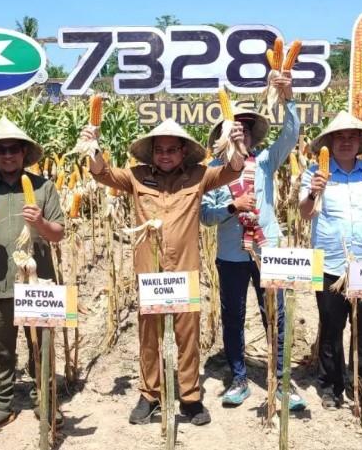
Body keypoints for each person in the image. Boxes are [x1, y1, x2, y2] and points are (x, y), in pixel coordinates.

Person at [78, 118, 245, 426]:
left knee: (187, 335)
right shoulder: (136, 177)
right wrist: (93, 144)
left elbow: (233, 170)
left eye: (172, 149)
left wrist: (236, 143)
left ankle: (191, 398)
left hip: (185, 270)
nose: (165, 155)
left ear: (183, 152)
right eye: (159, 150)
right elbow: (101, 173)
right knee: (149, 335)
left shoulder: (199, 176)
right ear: (151, 153)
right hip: (150, 271)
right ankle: (149, 396)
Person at [200, 73, 305, 410]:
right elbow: (205, 216)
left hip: (267, 250)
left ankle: (283, 382)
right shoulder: (211, 172)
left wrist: (288, 99)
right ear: (223, 135)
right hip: (231, 255)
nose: (240, 132)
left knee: (275, 315)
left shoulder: (264, 162)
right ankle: (240, 377)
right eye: (234, 127)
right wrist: (232, 207)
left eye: (245, 128)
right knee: (233, 316)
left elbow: (291, 135)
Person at [0, 117, 65, 438]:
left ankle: (45, 400)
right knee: (0, 347)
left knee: (42, 345)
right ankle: (2, 404)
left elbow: (58, 233)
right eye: (1, 150)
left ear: (23, 153)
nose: (8, 156)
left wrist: (41, 223)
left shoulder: (43, 187)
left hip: (38, 282)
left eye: (14, 150)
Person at [298, 111, 362, 409]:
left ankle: (361, 384)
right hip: (330, 263)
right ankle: (332, 385)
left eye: (351, 137)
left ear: (360, 141)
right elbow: (305, 213)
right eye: (339, 137)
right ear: (330, 142)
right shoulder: (314, 174)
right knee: (332, 329)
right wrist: (313, 193)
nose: (345, 142)